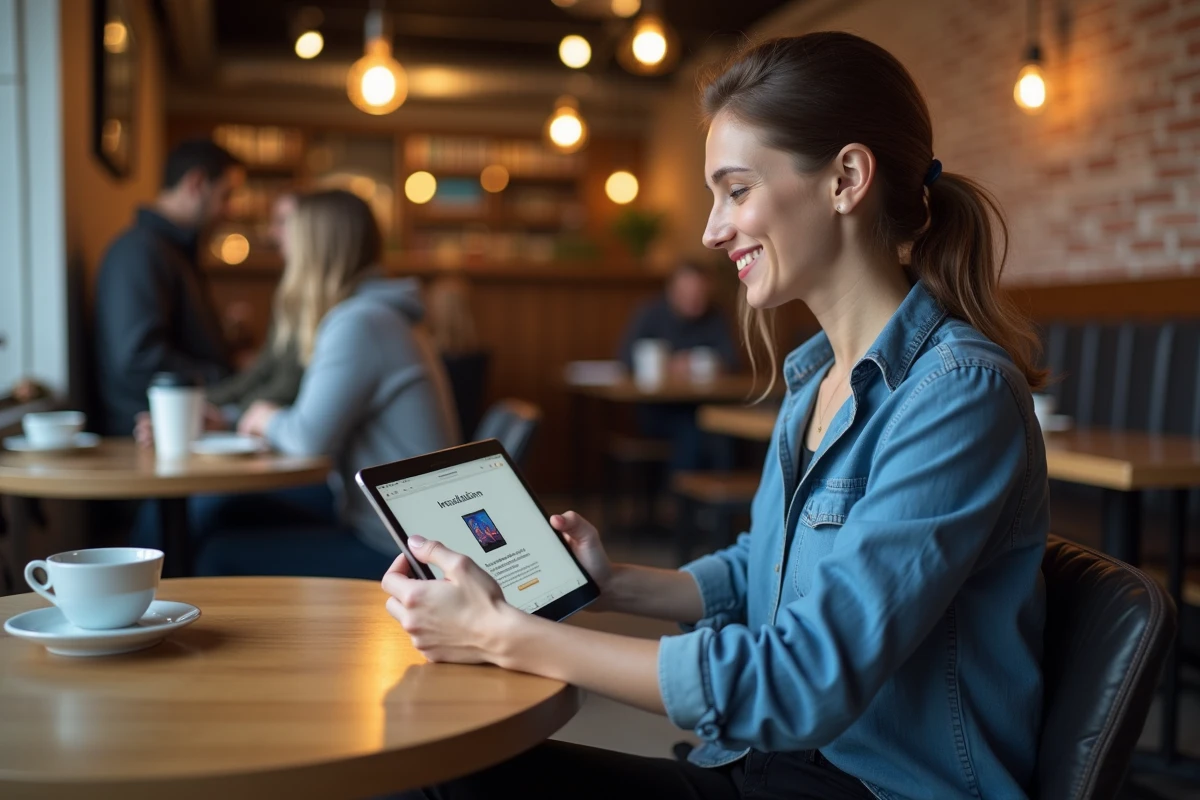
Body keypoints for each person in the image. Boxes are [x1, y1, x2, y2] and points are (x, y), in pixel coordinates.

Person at [383, 32, 1049, 800]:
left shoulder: (958, 395)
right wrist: (608, 584)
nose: (710, 229)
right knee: (438, 770)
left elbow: (801, 681)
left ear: (846, 179)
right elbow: (761, 567)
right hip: (766, 769)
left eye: (735, 190)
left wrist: (507, 635)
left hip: (871, 787)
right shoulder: (815, 381)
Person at [185, 189, 457, 578]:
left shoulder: (359, 322)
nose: (279, 242)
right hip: (391, 529)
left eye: (288, 235)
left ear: (316, 250)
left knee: (217, 551)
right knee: (218, 510)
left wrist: (262, 415)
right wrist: (232, 419)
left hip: (396, 554)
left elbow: (307, 438)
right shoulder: (379, 315)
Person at [93, 139, 244, 436]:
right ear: (196, 183)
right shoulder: (139, 252)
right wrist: (224, 378)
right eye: (226, 195)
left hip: (178, 430)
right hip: (148, 438)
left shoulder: (172, 252)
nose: (229, 210)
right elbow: (138, 358)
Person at [618, 261, 739, 471]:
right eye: (687, 293)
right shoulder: (650, 314)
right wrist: (668, 364)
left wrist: (699, 363)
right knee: (693, 429)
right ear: (672, 291)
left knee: (720, 428)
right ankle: (681, 500)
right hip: (656, 409)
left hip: (704, 405)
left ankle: (719, 497)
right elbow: (625, 358)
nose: (694, 299)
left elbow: (731, 361)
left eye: (699, 293)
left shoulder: (716, 316)